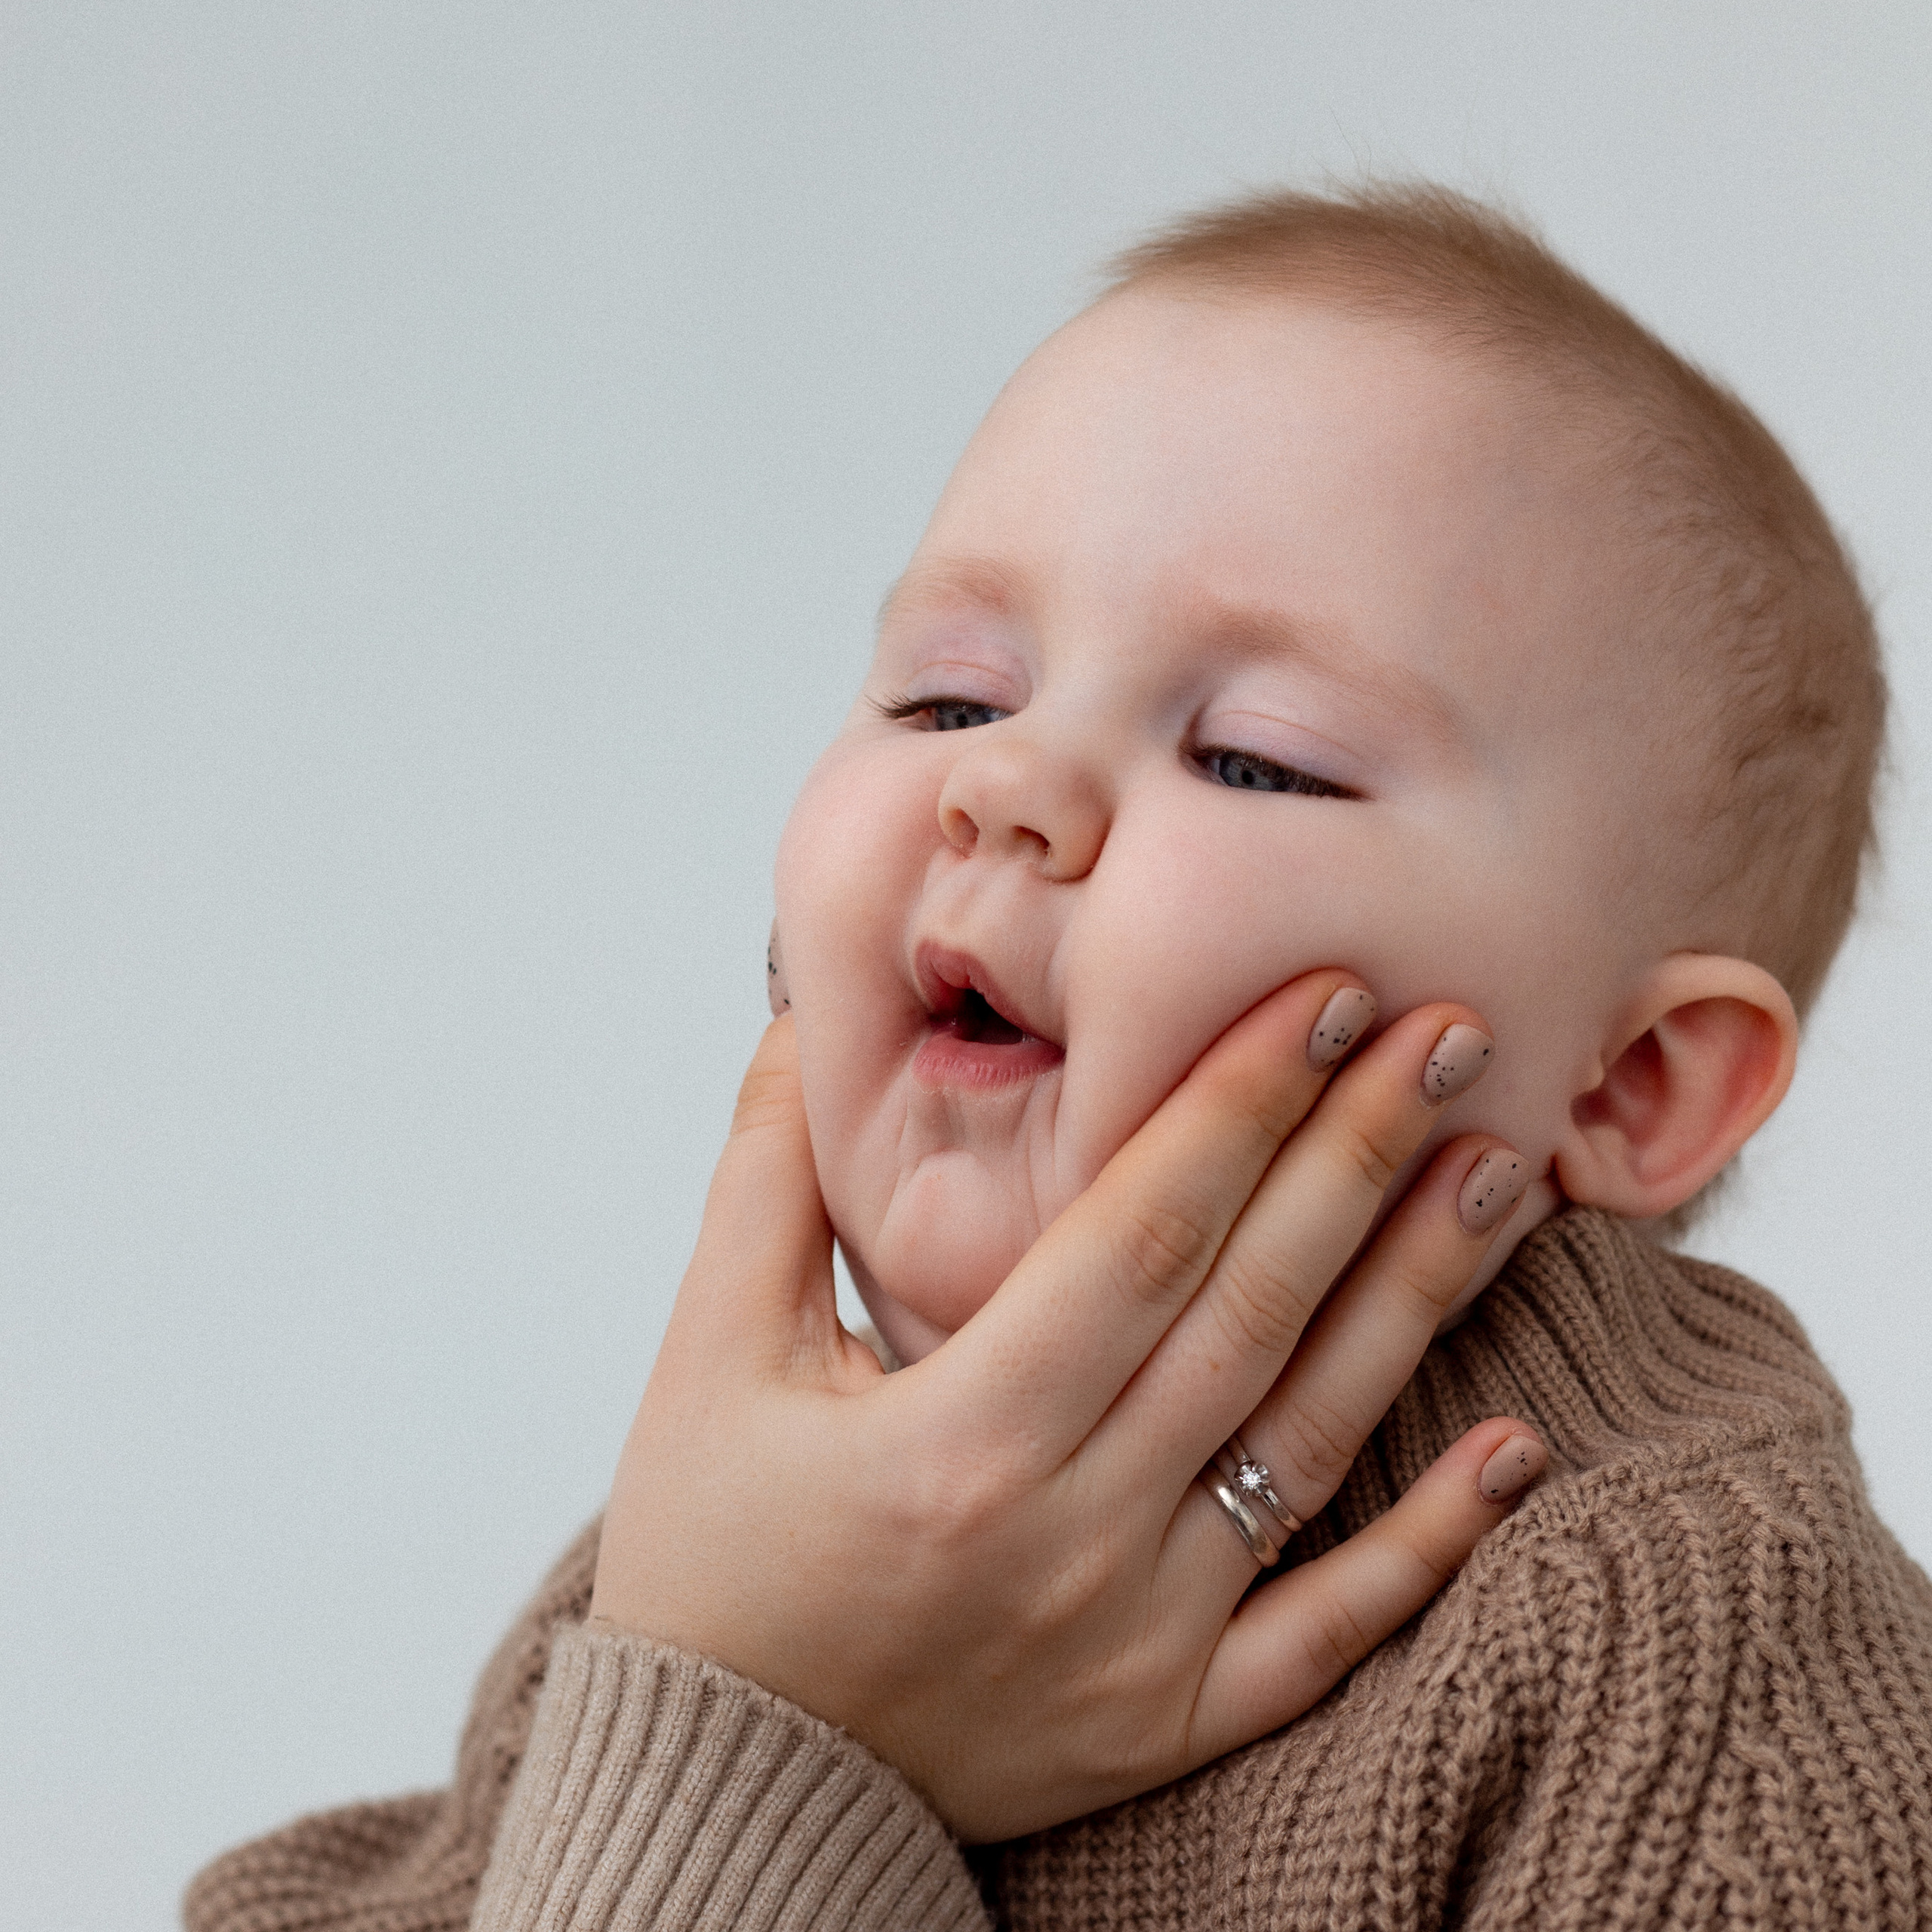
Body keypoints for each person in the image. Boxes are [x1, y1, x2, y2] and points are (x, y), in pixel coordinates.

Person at [186, 185, 1927, 1932]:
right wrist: (737, 1710)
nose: (999, 783)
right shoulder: (716, 1556)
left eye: (1254, 758)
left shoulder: (1696, 1658)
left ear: (1631, 1080)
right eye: (949, 696)